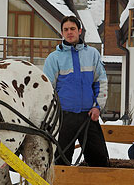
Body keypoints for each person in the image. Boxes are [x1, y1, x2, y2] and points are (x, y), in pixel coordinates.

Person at [43, 15, 109, 167]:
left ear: (79, 31)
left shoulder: (92, 54)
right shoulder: (54, 58)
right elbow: (47, 90)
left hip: (88, 117)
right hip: (64, 118)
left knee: (99, 160)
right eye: (65, 30)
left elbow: (101, 82)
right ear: (62, 33)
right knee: (60, 162)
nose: (69, 32)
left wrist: (97, 107)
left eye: (72, 29)